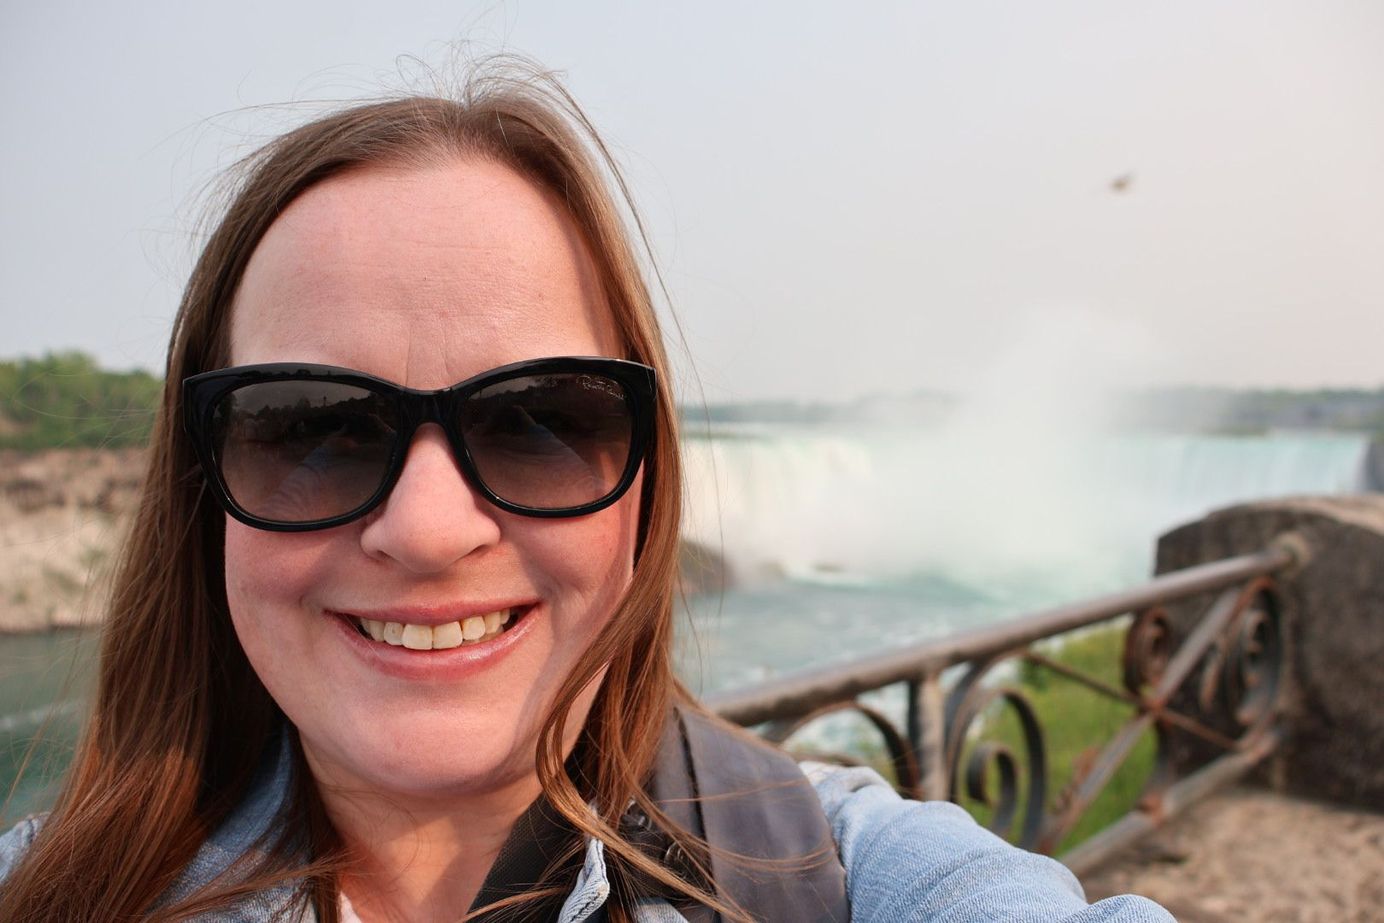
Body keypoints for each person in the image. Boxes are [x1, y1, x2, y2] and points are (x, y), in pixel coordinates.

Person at [0, 64, 1174, 922]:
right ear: (200, 490)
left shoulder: (839, 871)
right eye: (311, 426)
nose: (425, 525)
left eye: (540, 422)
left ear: (646, 491)